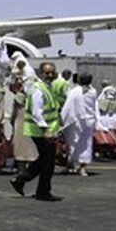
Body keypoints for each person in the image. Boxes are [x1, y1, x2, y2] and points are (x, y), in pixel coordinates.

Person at [9, 62, 63, 201]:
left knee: (44, 160)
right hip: (41, 131)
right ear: (40, 73)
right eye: (46, 73)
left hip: (46, 130)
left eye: (52, 72)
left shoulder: (48, 87)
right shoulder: (38, 90)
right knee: (48, 163)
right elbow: (37, 113)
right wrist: (45, 130)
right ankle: (42, 192)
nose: (50, 75)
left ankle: (21, 180)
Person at [61, 72, 97, 176]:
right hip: (88, 121)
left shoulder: (75, 92)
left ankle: (71, 165)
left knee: (72, 143)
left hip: (76, 121)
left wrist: (62, 119)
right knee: (86, 145)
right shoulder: (93, 91)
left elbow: (68, 106)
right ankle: (82, 168)